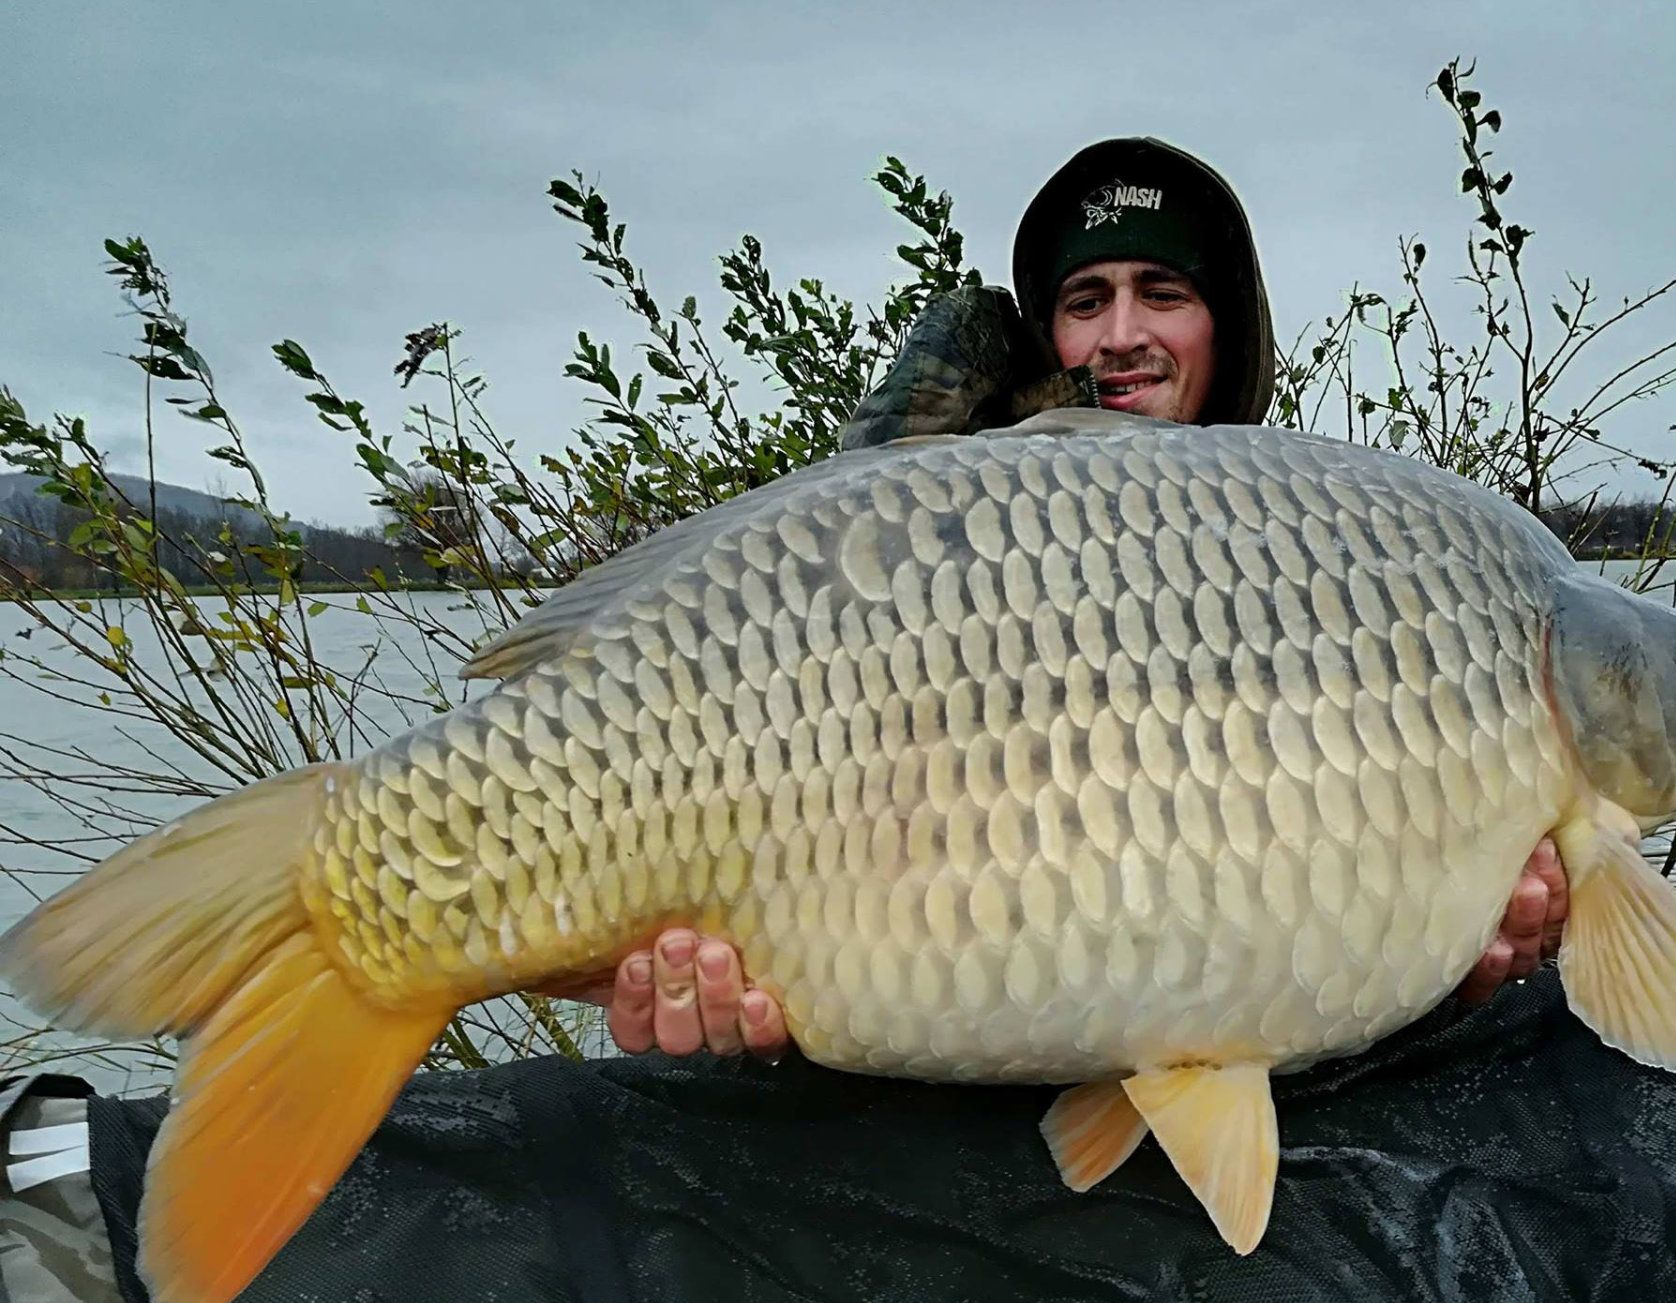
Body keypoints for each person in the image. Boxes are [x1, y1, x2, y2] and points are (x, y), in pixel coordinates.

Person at [566, 138, 1570, 1060]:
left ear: (1229, 325)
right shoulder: (927, 549)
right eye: (1086, 300)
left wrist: (1459, 957)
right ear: (1050, 334)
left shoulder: (1357, 554)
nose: (1121, 335)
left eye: (1162, 291)